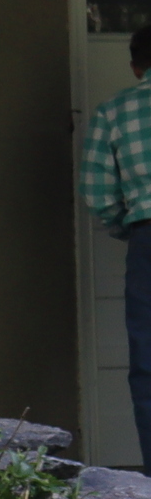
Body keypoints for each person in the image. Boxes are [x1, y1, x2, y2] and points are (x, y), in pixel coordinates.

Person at [79, 23, 151, 459]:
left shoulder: (116, 110)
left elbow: (97, 191)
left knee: (149, 363)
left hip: (149, 237)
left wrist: (130, 225)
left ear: (135, 66)